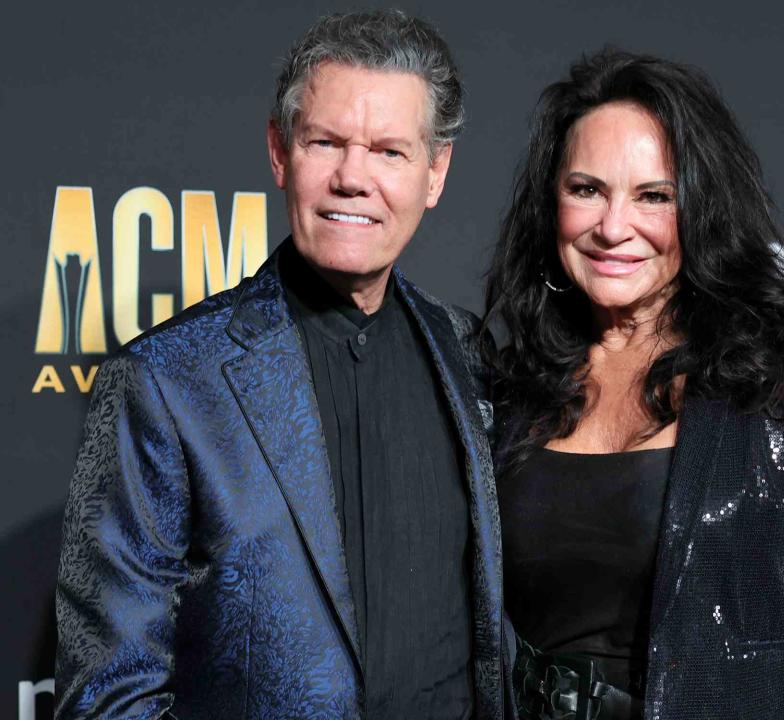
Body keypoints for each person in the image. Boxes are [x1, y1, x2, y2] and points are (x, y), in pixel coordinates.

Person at [55, 10, 510, 720]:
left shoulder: (468, 356)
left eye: (390, 151)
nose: (353, 178)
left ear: (436, 172)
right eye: (326, 142)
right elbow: (108, 693)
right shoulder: (168, 379)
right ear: (279, 151)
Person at [485, 51, 784, 719]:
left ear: (702, 206)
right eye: (586, 189)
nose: (614, 228)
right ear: (550, 201)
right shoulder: (507, 388)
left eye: (654, 196)